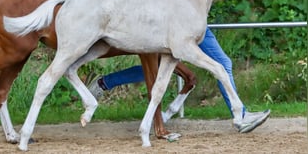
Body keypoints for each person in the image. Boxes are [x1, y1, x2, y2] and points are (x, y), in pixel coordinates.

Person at [89, 28, 270, 133]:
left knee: (220, 63)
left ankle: (104, 83)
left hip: (197, 24)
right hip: (180, 25)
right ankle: (241, 116)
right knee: (158, 70)